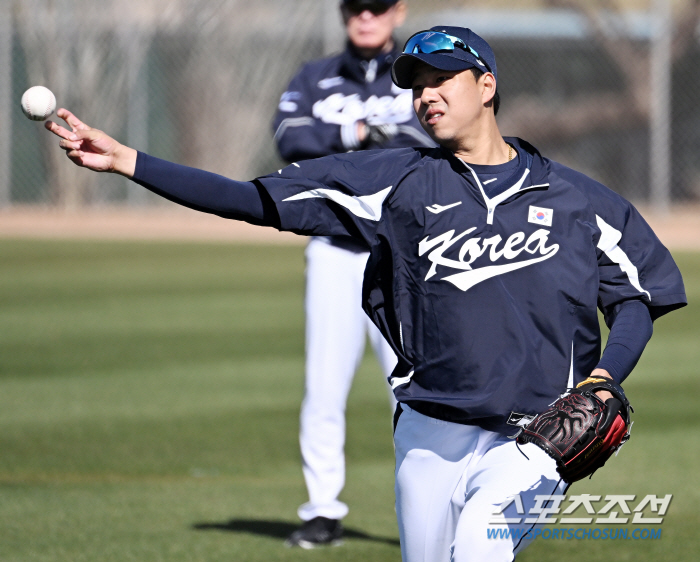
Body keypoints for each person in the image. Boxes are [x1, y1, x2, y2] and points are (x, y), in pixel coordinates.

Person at [46, 25, 686, 562]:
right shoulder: (392, 182)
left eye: (442, 79)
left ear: (487, 85)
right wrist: (131, 161)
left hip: (532, 440)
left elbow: (635, 294)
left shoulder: (577, 199)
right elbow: (253, 200)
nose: (425, 96)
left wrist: (603, 376)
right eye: (415, 85)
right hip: (428, 432)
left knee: (478, 549)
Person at [271, 0, 433, 547]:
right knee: (323, 385)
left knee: (413, 388)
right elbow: (291, 139)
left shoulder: (420, 73)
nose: (366, 15)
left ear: (398, 11)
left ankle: (429, 510)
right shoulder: (315, 76)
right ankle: (321, 510)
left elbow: (442, 140)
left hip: (405, 253)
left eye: (377, 5)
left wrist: (388, 142)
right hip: (335, 250)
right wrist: (356, 136)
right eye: (354, 6)